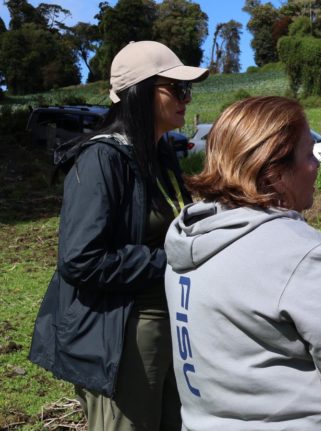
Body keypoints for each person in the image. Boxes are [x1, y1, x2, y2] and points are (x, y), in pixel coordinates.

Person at [164, 96, 321, 430]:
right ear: (276, 172)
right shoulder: (299, 257)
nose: (317, 165)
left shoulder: (189, 242)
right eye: (308, 154)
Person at [28, 41, 208, 430]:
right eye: (175, 88)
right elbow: (81, 259)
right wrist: (175, 257)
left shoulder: (158, 155)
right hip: (122, 335)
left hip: (166, 327)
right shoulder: (102, 159)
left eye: (187, 89)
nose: (186, 97)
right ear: (141, 92)